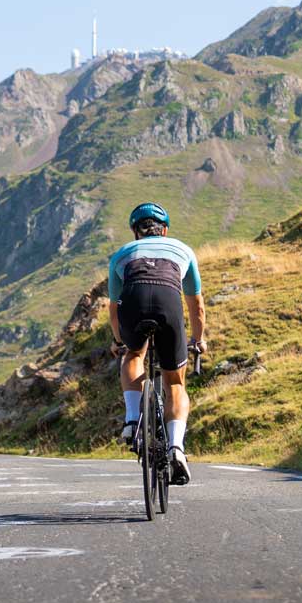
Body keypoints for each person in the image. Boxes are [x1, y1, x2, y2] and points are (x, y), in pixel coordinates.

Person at [108, 202, 207, 485]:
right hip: (168, 303)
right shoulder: (183, 250)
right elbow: (196, 306)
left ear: (135, 233)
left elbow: (114, 308)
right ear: (164, 230)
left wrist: (119, 341)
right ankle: (176, 447)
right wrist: (198, 340)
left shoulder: (121, 255)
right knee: (174, 382)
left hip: (134, 302)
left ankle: (130, 420)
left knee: (133, 355)